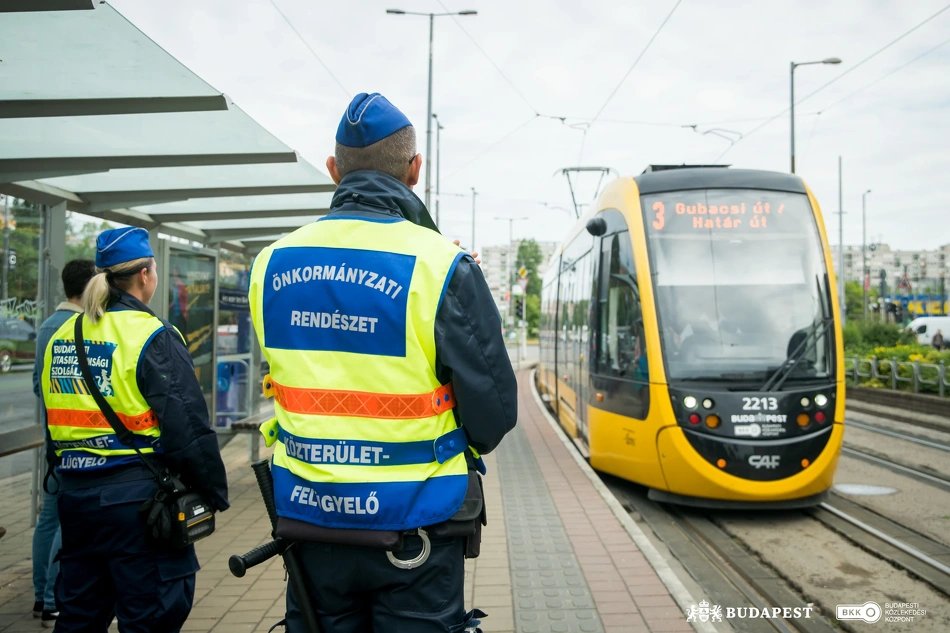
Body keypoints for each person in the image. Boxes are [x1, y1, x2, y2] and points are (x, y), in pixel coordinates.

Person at [248, 92, 517, 632]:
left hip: (308, 516)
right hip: (416, 522)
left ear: (333, 170)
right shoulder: (442, 265)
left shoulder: (269, 263)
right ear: (415, 169)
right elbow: (494, 412)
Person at [41, 227, 229, 633]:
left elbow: (53, 421)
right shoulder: (152, 334)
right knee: (152, 616)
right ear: (145, 274)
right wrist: (212, 492)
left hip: (76, 500)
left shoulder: (63, 336)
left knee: (80, 616)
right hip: (139, 507)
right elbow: (186, 426)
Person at [31, 259, 96, 627]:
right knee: (67, 519)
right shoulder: (78, 327)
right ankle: (54, 599)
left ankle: (41, 594)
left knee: (48, 517)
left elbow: (39, 386)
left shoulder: (46, 327)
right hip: (76, 441)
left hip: (52, 436)